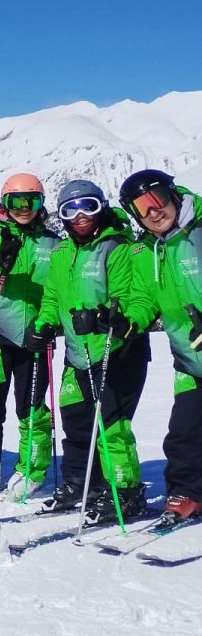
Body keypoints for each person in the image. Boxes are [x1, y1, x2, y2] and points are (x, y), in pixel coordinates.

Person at [31, 179, 151, 523]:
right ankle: (82, 484)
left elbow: (129, 298)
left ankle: (125, 491)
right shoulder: (62, 253)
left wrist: (105, 319)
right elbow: (53, 298)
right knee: (77, 422)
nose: (81, 216)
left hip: (116, 351)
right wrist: (43, 325)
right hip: (77, 355)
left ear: (102, 207)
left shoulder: (118, 247)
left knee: (111, 424)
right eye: (71, 210)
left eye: (89, 206)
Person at [0, 174, 60, 500]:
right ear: (5, 202)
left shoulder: (51, 242)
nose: (23, 208)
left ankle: (32, 468)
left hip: (34, 335)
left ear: (40, 203)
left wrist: (47, 323)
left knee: (31, 405)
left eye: (30, 201)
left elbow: (57, 289)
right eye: (16, 201)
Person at [122, 169, 202, 524]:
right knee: (183, 432)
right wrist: (129, 321)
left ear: (173, 194)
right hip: (188, 358)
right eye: (142, 206)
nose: (154, 211)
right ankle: (188, 493)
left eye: (157, 198)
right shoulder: (144, 251)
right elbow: (142, 298)